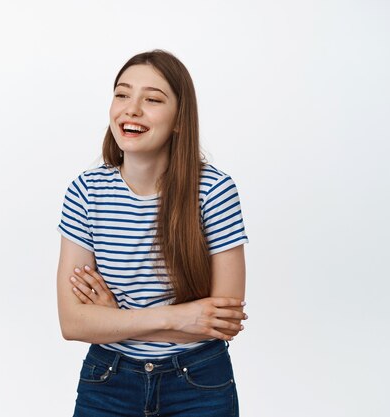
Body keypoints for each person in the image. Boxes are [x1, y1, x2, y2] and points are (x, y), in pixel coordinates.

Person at [56, 49, 249, 417]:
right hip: (109, 381)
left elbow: (223, 321)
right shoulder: (86, 191)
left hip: (199, 382)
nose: (131, 109)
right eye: (122, 94)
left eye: (153, 99)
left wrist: (114, 320)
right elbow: (73, 322)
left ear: (179, 119)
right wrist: (178, 317)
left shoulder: (214, 191)